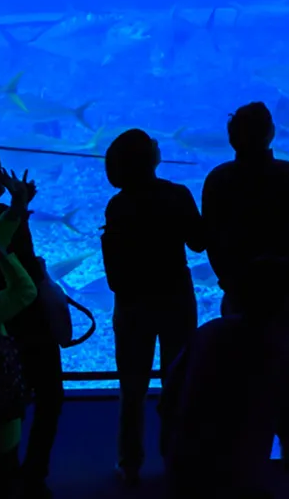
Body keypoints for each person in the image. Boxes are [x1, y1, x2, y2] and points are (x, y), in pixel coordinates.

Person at [199, 101, 289, 470]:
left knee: (237, 373)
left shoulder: (218, 179)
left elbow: (208, 236)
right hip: (286, 289)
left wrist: (225, 277)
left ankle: (239, 452)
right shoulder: (288, 174)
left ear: (232, 139)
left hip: (239, 290)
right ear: (271, 134)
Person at [165, 253, 289, 499]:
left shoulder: (206, 333)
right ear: (285, 302)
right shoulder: (280, 347)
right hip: (239, 478)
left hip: (186, 466)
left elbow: (169, 396)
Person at [101, 128, 206, 487]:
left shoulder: (117, 205)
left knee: (132, 388)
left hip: (131, 304)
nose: (159, 145)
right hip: (175, 298)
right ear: (149, 159)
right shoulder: (177, 195)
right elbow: (198, 243)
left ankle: (130, 463)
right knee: (177, 384)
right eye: (152, 145)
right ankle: (176, 459)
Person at [0, 156, 61, 499]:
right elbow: (24, 272)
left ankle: (3, 473)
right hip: (29, 318)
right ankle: (33, 476)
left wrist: (20, 204)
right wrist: (18, 204)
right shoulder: (4, 220)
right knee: (49, 397)